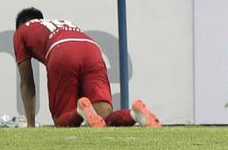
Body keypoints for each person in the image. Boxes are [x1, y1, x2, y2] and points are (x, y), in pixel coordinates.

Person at [12, 8, 162, 128]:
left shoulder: (21, 31)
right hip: (91, 48)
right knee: (103, 118)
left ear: (20, 26)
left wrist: (31, 124)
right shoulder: (62, 23)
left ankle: (80, 111)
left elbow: (27, 83)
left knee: (62, 121)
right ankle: (135, 114)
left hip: (61, 51)